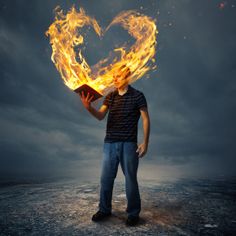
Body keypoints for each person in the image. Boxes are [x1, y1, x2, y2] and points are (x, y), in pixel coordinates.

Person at [80, 67, 150, 226]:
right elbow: (100, 116)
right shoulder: (111, 96)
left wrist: (145, 142)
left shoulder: (138, 96)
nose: (115, 79)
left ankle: (133, 213)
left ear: (127, 76)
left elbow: (146, 119)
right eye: (114, 76)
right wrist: (89, 107)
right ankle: (104, 210)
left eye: (118, 76)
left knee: (130, 180)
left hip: (129, 144)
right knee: (105, 179)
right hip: (109, 144)